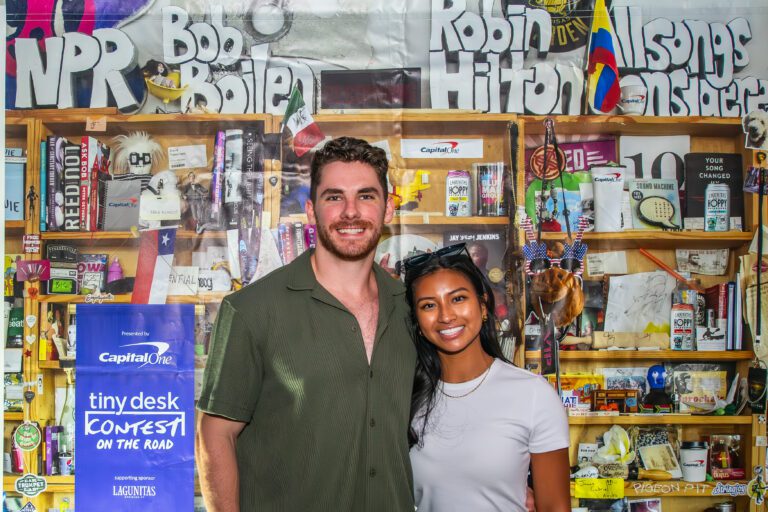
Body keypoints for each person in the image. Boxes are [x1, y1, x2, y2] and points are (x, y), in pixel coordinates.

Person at [196, 137, 416, 511]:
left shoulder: (412, 310)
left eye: (366, 196)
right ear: (311, 211)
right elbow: (214, 437)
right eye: (334, 197)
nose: (351, 212)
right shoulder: (251, 310)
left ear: (389, 208)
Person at [404, 244, 570, 511]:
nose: (446, 316)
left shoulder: (532, 395)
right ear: (418, 324)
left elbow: (555, 507)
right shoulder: (406, 397)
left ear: (483, 306)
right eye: (429, 305)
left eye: (458, 299)